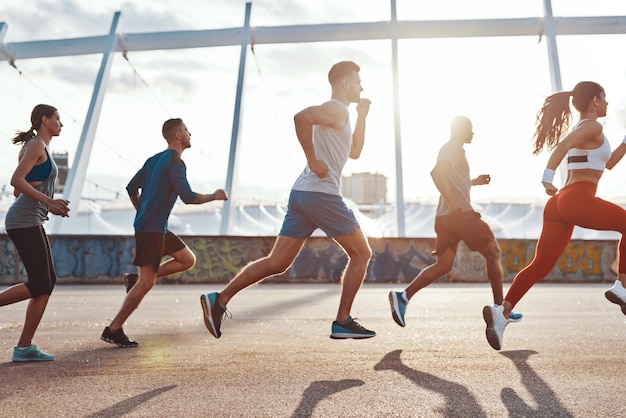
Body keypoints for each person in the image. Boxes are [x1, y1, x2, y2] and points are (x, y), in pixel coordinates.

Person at [200, 60, 375, 340]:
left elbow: (354, 152)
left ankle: (219, 300)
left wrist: (363, 116)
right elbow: (300, 117)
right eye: (357, 81)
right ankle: (342, 321)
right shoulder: (336, 108)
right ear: (344, 83)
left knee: (277, 262)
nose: (361, 86)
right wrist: (312, 159)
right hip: (322, 194)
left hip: (303, 194)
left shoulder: (342, 114)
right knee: (362, 254)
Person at [483, 81, 626, 351]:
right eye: (604, 98)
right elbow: (561, 146)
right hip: (577, 197)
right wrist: (547, 176)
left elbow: (608, 163)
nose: (607, 104)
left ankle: (501, 314)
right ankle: (622, 285)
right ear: (594, 101)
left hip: (560, 204)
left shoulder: (585, 129)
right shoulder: (592, 126)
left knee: (541, 265)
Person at [101, 118, 228, 347]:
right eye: (187, 131)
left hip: (154, 226)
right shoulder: (175, 162)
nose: (190, 134)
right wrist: (214, 196)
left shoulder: (153, 160)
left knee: (188, 259)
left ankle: (134, 281)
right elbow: (188, 197)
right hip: (151, 228)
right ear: (178, 135)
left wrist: (141, 210)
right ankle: (114, 328)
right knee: (146, 283)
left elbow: (131, 188)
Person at [388, 116, 522, 328]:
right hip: (459, 215)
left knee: (443, 265)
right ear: (459, 130)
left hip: (444, 217)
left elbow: (451, 179)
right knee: (492, 252)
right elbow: (436, 173)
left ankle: (403, 296)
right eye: (470, 128)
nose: (473, 132)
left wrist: (473, 182)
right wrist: (452, 201)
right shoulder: (454, 149)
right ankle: (500, 309)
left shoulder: (450, 149)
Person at [1, 104, 70, 362]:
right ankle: (23, 347)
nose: (61, 123)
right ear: (45, 120)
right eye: (58, 118)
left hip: (30, 219)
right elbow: (15, 181)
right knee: (42, 283)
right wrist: (49, 202)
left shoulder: (40, 148)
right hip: (23, 221)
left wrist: (49, 202)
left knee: (46, 284)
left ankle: (24, 347)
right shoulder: (36, 145)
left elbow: (22, 189)